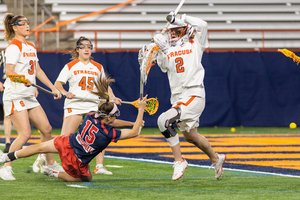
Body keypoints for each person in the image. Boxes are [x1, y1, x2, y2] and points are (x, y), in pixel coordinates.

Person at [0, 75, 147, 182]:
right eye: (115, 115)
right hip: (77, 158)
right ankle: (53, 172)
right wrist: (140, 110)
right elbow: (134, 132)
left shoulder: (92, 115)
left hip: (68, 141)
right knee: (86, 179)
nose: (115, 118)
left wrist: (132, 122)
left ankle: (6, 157)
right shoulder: (107, 134)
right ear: (108, 117)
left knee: (39, 147)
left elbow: (113, 121)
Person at [152, 13, 226, 181]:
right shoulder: (169, 50)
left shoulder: (195, 44)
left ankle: (180, 160)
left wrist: (182, 17)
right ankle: (216, 158)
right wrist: (158, 51)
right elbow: (164, 67)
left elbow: (203, 24)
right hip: (178, 97)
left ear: (185, 30)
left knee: (163, 121)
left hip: (193, 93)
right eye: (171, 32)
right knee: (191, 136)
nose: (172, 34)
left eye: (176, 31)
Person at [53, 36, 129, 175]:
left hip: (94, 105)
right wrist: (65, 92)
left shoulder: (98, 66)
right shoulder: (70, 66)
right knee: (64, 138)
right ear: (77, 49)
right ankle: (47, 159)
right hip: (75, 104)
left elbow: (105, 86)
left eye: (89, 46)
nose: (87, 49)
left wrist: (112, 97)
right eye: (84, 46)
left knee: (101, 134)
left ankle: (99, 166)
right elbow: (58, 84)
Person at [0, 13, 63, 180]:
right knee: (25, 134)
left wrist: (53, 88)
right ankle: (6, 166)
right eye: (23, 23)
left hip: (28, 96)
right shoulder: (14, 47)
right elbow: (9, 71)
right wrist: (23, 80)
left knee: (47, 129)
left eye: (28, 22)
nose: (27, 26)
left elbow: (38, 70)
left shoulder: (30, 46)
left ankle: (48, 164)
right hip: (15, 95)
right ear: (14, 27)